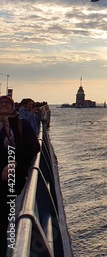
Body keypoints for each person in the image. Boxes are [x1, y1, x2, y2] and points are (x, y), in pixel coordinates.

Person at [0, 95, 40, 255]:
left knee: (4, 220)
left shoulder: (20, 125)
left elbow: (34, 147)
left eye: (6, 104)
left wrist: (15, 162)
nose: (3, 105)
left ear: (13, 107)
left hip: (9, 181)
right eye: (0, 103)